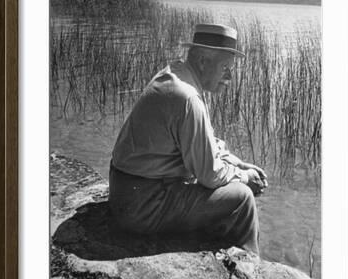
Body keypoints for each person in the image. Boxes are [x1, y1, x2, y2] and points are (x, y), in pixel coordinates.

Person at [109, 23, 268, 255]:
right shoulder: (188, 98)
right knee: (242, 198)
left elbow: (204, 143)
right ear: (203, 61)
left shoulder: (175, 75)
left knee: (219, 183)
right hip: (141, 208)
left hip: (125, 194)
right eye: (225, 67)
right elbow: (210, 175)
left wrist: (237, 163)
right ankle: (251, 267)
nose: (230, 76)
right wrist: (245, 177)